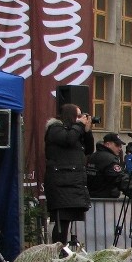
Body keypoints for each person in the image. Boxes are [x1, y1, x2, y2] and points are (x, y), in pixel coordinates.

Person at [44, 103, 93, 245]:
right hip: (61, 182)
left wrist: (87, 131)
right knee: (62, 221)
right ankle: (58, 251)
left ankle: (64, 250)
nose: (80, 119)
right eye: (77, 116)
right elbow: (68, 139)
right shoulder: (55, 128)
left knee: (69, 219)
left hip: (73, 182)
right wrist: (79, 126)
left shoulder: (75, 131)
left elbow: (88, 149)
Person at [86, 132, 132, 199]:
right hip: (106, 199)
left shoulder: (92, 156)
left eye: (120, 146)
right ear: (108, 144)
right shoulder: (110, 159)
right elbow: (119, 177)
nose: (120, 148)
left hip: (92, 198)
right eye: (117, 145)